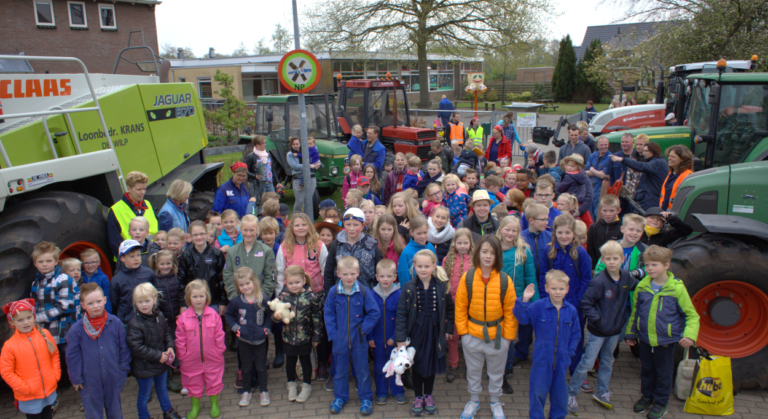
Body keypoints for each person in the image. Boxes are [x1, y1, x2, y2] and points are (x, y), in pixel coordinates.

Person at [625, 246, 699, 419]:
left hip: (665, 341)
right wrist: (630, 333)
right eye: (648, 265)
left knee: (663, 372)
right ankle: (647, 396)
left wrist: (689, 335)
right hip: (644, 339)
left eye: (654, 265)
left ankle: (661, 402)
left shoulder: (676, 289)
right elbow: (635, 312)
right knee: (647, 370)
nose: (650, 268)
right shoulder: (642, 287)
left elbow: (691, 315)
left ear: (667, 265)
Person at [566, 241, 637, 415]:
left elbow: (639, 287)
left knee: (608, 361)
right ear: (603, 260)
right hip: (597, 331)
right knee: (587, 362)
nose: (612, 262)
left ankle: (602, 391)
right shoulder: (598, 281)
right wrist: (598, 320)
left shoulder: (626, 277)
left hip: (615, 330)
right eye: (608, 259)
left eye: (615, 258)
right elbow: (586, 303)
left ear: (622, 259)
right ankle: (570, 393)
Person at [456, 235, 517, 419]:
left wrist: (507, 338)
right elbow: (460, 307)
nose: (488, 256)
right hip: (472, 334)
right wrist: (464, 334)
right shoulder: (468, 277)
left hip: (497, 336)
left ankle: (495, 401)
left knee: (496, 372)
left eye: (492, 253)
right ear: (478, 253)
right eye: (484, 252)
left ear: (498, 256)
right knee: (473, 371)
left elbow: (510, 312)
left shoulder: (505, 280)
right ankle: (474, 400)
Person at [513, 272, 581, 419]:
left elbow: (576, 335)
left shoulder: (571, 311)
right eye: (554, 288)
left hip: (562, 361)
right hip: (542, 361)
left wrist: (569, 353)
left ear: (567, 289)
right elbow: (522, 318)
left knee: (560, 396)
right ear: (546, 288)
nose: (558, 292)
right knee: (537, 393)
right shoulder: (538, 306)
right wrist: (524, 299)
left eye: (561, 289)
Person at [396, 250, 454, 416]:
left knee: (431, 366)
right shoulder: (408, 288)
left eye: (427, 266)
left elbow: (450, 308)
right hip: (416, 333)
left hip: (435, 333)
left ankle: (428, 395)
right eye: (419, 266)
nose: (423, 269)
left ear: (434, 267)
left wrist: (449, 328)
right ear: (414, 266)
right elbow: (401, 314)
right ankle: (418, 397)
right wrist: (400, 339)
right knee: (418, 365)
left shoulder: (442, 286)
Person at [325, 256, 381, 415]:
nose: (348, 277)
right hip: (340, 338)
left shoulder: (363, 291)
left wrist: (364, 329)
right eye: (345, 274)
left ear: (358, 273)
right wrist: (333, 334)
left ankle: (366, 398)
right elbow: (328, 313)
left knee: (362, 370)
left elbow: (374, 312)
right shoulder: (334, 292)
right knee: (340, 370)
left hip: (359, 339)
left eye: (352, 274)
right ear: (338, 274)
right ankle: (340, 397)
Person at [539, 214, 592, 379]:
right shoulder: (548, 252)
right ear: (554, 232)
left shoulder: (580, 253)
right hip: (551, 304)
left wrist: (577, 300)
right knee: (550, 339)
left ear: (574, 234)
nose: (564, 236)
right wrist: (544, 299)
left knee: (574, 340)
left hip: (573, 305)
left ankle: (574, 372)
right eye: (560, 233)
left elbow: (586, 279)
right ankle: (551, 370)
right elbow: (543, 276)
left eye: (568, 233)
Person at [67, 283, 131, 419]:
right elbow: (73, 356)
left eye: (98, 301)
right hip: (89, 380)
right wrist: (76, 378)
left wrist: (123, 370)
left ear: (105, 300)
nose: (95, 306)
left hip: (113, 376)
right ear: (83, 305)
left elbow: (124, 348)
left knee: (115, 411)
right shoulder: (76, 330)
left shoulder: (116, 323)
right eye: (90, 303)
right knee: (93, 413)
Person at [127, 283, 182, 419]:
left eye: (147, 301)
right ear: (135, 303)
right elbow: (136, 347)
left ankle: (168, 412)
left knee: (162, 388)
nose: (144, 305)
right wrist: (158, 355)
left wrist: (170, 346)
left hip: (160, 362)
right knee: (144, 395)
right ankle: (144, 416)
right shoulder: (134, 323)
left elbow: (167, 332)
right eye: (140, 302)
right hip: (144, 366)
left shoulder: (159, 315)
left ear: (154, 300)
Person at [0, 298, 60, 419]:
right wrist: (24, 388)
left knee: (48, 415)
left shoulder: (45, 335)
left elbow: (54, 356)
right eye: (20, 320)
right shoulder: (10, 346)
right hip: (29, 396)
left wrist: (55, 375)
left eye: (29, 317)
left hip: (48, 390)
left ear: (34, 317)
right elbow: (6, 372)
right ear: (12, 323)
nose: (26, 322)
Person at [496, 216, 536, 393]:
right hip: (495, 298)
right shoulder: (493, 248)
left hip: (515, 299)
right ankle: (497, 369)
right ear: (501, 229)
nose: (511, 233)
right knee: (496, 335)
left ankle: (507, 367)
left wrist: (534, 302)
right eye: (508, 230)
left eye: (514, 231)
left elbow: (530, 277)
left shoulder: (524, 251)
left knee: (509, 336)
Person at [176, 280, 226, 419]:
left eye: (201, 296)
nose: (198, 300)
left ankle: (214, 404)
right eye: (195, 296)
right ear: (189, 298)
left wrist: (219, 350)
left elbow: (220, 334)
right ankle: (195, 406)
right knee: (193, 382)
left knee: (214, 380)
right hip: (191, 359)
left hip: (212, 357)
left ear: (207, 296)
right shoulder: (183, 318)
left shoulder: (213, 314)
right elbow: (180, 338)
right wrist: (182, 355)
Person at [273, 266, 322, 403]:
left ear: (303, 280)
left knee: (306, 362)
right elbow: (275, 317)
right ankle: (291, 385)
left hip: (305, 337)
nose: (294, 286)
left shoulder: (312, 297)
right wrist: (276, 317)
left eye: (297, 282)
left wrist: (317, 336)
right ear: (286, 283)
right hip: (288, 338)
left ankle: (306, 386)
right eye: (290, 283)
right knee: (290, 363)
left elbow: (317, 318)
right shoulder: (283, 296)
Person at [226, 266, 273, 407]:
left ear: (254, 282)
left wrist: (266, 328)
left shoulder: (263, 299)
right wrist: (236, 328)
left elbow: (270, 315)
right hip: (244, 340)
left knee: (261, 366)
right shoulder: (236, 301)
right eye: (241, 285)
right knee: (245, 367)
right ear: (237, 286)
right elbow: (228, 315)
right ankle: (246, 391)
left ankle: (263, 390)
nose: (245, 287)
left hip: (260, 339)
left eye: (248, 283)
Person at [367, 259, 405, 406]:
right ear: (376, 277)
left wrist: (395, 337)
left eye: (389, 276)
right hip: (377, 340)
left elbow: (402, 319)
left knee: (397, 366)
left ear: (395, 276)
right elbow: (369, 318)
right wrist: (369, 336)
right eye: (382, 276)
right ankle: (381, 392)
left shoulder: (399, 294)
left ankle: (398, 391)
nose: (385, 279)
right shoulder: (371, 295)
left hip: (393, 340)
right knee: (379, 367)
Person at [148, 250, 185, 393]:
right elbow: (155, 301)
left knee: (180, 341)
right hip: (164, 319)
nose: (165, 266)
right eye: (162, 264)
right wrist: (159, 315)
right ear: (157, 264)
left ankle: (181, 365)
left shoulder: (177, 277)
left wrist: (182, 309)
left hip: (177, 316)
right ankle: (169, 371)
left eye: (168, 263)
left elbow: (182, 293)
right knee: (166, 344)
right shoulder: (154, 280)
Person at [323, 208, 383, 294]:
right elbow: (328, 272)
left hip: (366, 295)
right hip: (341, 294)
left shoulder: (371, 245)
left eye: (355, 225)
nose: (351, 228)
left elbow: (379, 270)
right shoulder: (336, 245)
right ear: (343, 224)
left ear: (363, 225)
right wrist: (329, 296)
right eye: (348, 225)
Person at [441, 229, 473, 383]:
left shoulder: (475, 260)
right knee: (453, 337)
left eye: (465, 243)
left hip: (470, 304)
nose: (462, 246)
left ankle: (471, 365)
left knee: (469, 336)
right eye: (459, 243)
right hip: (452, 304)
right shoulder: (448, 259)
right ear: (454, 243)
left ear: (470, 244)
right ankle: (453, 365)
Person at [178, 221, 227, 315]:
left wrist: (223, 301)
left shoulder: (217, 254)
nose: (199, 237)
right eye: (195, 235)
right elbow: (181, 281)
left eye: (202, 234)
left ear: (207, 234)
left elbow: (222, 279)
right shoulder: (186, 255)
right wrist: (182, 304)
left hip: (213, 301)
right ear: (190, 236)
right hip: (192, 302)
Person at [107, 171, 158, 259]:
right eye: (139, 189)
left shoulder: (147, 204)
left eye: (144, 189)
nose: (142, 192)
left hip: (152, 255)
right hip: (130, 260)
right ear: (129, 189)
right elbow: (115, 242)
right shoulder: (115, 210)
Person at [610, 142, 668, 211]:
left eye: (646, 151)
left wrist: (622, 160)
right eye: (643, 151)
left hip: (650, 202)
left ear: (654, 151)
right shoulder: (656, 162)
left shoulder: (657, 163)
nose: (643, 153)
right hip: (648, 200)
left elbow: (641, 166)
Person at [110, 239, 155, 324]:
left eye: (138, 255)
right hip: (128, 322)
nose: (136, 259)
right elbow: (115, 303)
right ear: (122, 258)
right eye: (132, 256)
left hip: (148, 319)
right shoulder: (116, 280)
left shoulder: (149, 273)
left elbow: (155, 294)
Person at [586, 194, 623, 269]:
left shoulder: (622, 229)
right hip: (596, 267)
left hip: (614, 267)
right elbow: (590, 250)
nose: (608, 214)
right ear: (600, 210)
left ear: (619, 211)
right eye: (605, 210)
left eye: (612, 211)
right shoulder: (593, 227)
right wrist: (593, 267)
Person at [397, 216, 436, 285]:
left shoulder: (430, 247)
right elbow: (404, 279)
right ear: (411, 233)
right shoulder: (406, 253)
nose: (423, 236)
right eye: (419, 233)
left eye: (425, 232)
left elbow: (436, 269)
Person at [286, 137, 319, 218]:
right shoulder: (290, 154)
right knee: (299, 201)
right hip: (298, 178)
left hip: (311, 177)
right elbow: (295, 166)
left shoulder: (307, 150)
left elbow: (316, 158)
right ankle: (296, 218)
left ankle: (307, 218)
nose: (296, 146)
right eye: (294, 144)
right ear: (291, 145)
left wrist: (318, 164)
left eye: (297, 144)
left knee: (308, 200)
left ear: (300, 144)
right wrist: (309, 166)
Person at [585, 136, 612, 218]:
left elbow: (604, 175)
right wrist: (598, 173)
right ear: (597, 145)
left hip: (601, 190)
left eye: (605, 144)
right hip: (590, 189)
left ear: (608, 144)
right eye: (601, 145)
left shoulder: (610, 158)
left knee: (598, 214)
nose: (604, 147)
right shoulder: (592, 156)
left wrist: (592, 170)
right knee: (589, 214)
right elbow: (585, 172)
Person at [660, 145, 694, 210]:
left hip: (675, 215)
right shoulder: (670, 174)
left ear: (682, 159)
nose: (669, 158)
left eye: (673, 156)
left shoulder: (688, 176)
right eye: (669, 156)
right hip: (665, 213)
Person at [80, 248, 112, 314]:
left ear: (98, 262)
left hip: (98, 308)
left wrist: (108, 312)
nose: (90, 265)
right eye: (86, 263)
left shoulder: (103, 278)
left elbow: (107, 296)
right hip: (84, 309)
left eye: (93, 262)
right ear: (82, 264)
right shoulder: (80, 277)